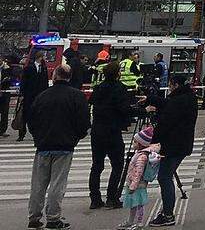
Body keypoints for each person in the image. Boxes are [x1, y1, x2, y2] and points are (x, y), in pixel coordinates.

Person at [27, 64, 90, 230]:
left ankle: (34, 217)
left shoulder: (42, 96)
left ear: (54, 77)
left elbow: (32, 120)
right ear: (69, 77)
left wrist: (38, 137)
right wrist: (75, 137)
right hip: (64, 145)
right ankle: (53, 218)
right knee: (57, 184)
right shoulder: (77, 96)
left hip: (43, 145)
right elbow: (83, 122)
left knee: (38, 184)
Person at [145, 75, 198, 227]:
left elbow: (166, 122)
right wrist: (152, 99)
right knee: (167, 176)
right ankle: (167, 212)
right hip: (183, 144)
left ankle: (168, 214)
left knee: (164, 177)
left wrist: (153, 142)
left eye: (169, 85)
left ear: (174, 85)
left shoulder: (177, 101)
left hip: (172, 145)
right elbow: (169, 105)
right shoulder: (188, 97)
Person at [89, 62, 136, 209]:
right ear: (118, 74)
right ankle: (112, 197)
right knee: (117, 165)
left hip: (97, 131)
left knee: (97, 165)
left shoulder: (98, 89)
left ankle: (95, 199)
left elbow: (92, 103)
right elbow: (124, 109)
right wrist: (141, 111)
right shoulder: (119, 88)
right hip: (113, 131)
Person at [119, 126, 161, 230]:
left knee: (139, 205)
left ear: (141, 144)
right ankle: (131, 221)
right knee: (133, 204)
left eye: (135, 142)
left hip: (138, 185)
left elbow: (138, 173)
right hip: (133, 183)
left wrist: (133, 186)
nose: (133, 143)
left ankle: (139, 223)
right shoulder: (139, 153)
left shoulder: (142, 156)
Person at [18, 51, 50, 141]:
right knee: (25, 114)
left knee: (38, 115)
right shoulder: (29, 68)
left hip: (39, 94)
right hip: (29, 94)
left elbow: (45, 81)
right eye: (43, 57)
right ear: (40, 57)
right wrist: (22, 94)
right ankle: (21, 133)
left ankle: (36, 133)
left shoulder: (43, 68)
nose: (45, 58)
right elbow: (24, 81)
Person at [1, 56, 15, 137]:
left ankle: (3, 130)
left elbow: (12, 78)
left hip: (5, 92)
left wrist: (7, 79)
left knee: (4, 112)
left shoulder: (7, 68)